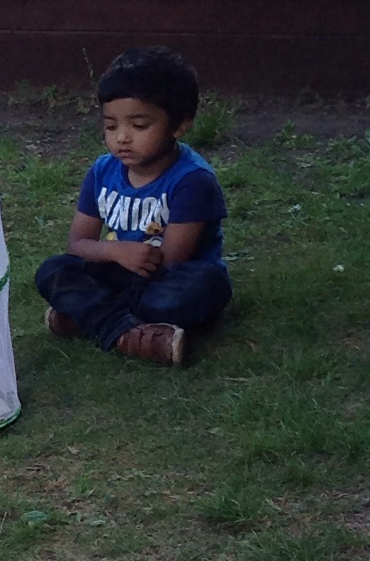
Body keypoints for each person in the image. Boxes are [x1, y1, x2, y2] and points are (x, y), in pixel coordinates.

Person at [33, 46, 231, 368]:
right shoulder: (101, 171)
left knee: (199, 288)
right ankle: (128, 332)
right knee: (53, 271)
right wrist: (115, 252)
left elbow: (171, 260)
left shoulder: (193, 181)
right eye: (111, 126)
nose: (122, 138)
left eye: (139, 126)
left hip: (167, 278)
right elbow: (77, 245)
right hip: (116, 270)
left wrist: (124, 263)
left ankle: (88, 316)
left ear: (179, 125)